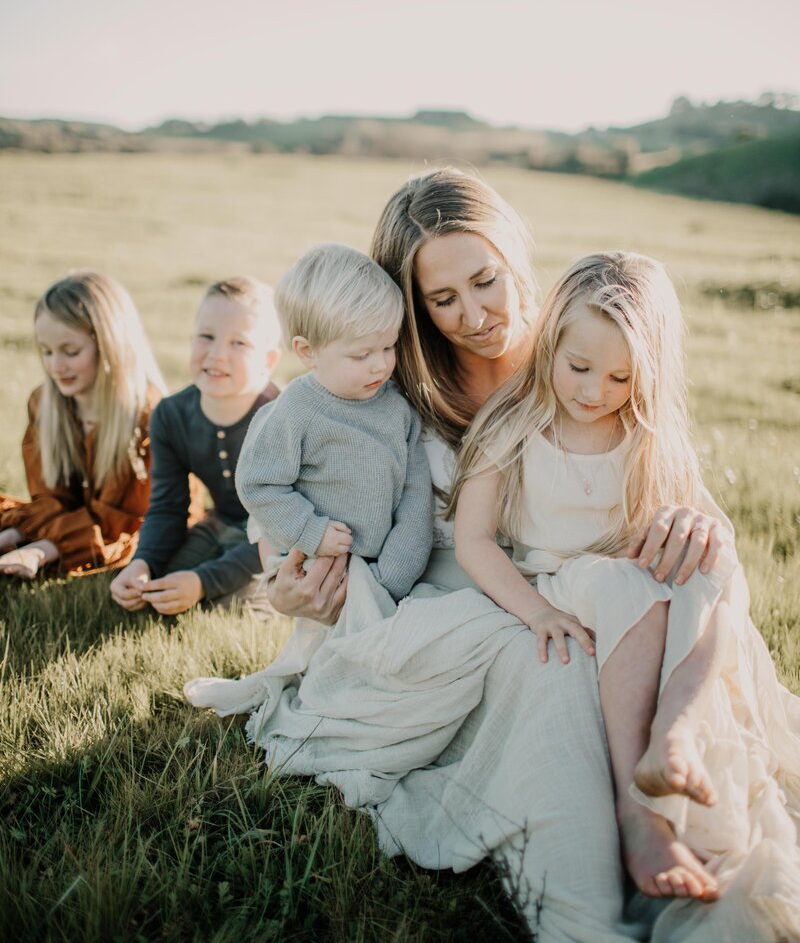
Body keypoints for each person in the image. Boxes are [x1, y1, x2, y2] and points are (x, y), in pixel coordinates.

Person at [188, 170, 789, 943]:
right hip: (456, 598)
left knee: (689, 602)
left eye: (485, 280)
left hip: (599, 574)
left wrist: (695, 527)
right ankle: (586, 903)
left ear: (513, 257)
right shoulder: (383, 387)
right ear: (413, 308)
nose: (474, 315)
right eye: (443, 300)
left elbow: (672, 475)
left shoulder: (585, 345)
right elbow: (303, 517)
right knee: (553, 666)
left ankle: (667, 802)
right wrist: (297, 589)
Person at [451, 250, 800, 908]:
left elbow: (702, 527)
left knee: (715, 573)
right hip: (564, 582)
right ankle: (636, 806)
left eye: (620, 377)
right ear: (551, 341)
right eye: (579, 368)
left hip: (631, 569)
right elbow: (473, 540)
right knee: (622, 589)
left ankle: (675, 731)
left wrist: (699, 543)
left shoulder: (645, 436)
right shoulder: (513, 424)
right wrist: (536, 613)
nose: (594, 392)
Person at [238, 244, 433, 599]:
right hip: (316, 565)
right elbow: (258, 484)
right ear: (307, 352)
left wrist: (395, 574)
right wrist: (310, 531)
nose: (380, 365)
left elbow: (415, 494)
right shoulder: (296, 409)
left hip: (384, 573)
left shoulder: (397, 409)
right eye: (361, 355)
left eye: (389, 347)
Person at [109, 277, 281, 616]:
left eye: (239, 343)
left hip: (281, 539)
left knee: (235, 605)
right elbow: (167, 506)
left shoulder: (282, 418)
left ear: (269, 360)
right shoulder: (170, 416)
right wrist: (142, 564)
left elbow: (280, 530)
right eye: (206, 337)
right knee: (156, 591)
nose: (217, 354)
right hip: (222, 523)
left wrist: (203, 581)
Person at [0, 270, 163, 578]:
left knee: (132, 549)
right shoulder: (44, 402)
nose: (55, 366)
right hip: (82, 524)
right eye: (46, 351)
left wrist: (43, 547)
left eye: (70, 351)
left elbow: (122, 523)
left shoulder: (147, 416)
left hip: (136, 528)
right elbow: (50, 499)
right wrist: (19, 533)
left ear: (109, 346)